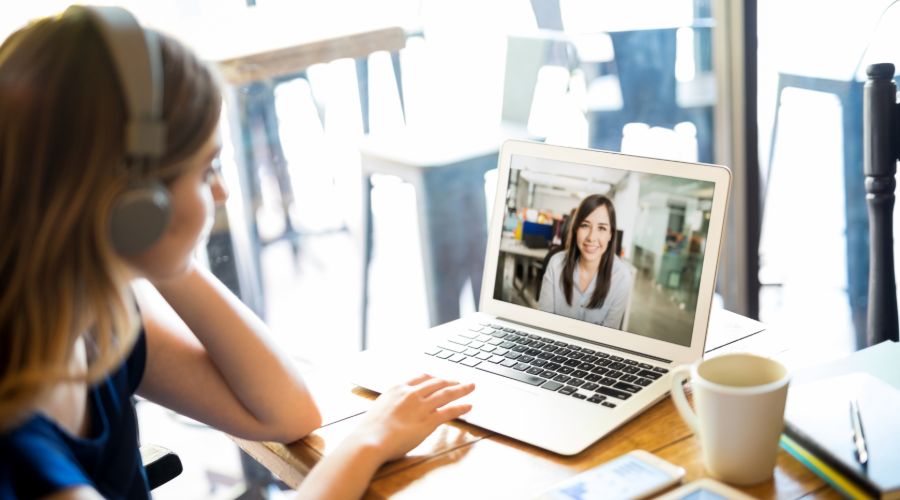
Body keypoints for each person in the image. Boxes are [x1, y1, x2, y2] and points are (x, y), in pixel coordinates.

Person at [0, 6, 474, 499]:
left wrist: (152, 245)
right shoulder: (19, 442)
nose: (223, 193)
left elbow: (285, 411)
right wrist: (370, 440)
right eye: (207, 170)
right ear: (136, 200)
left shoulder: (97, 318)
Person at [537, 194, 634, 329]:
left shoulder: (622, 278)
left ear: (610, 234)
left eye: (602, 228)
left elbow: (609, 337)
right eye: (585, 225)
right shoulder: (556, 264)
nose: (591, 237)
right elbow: (543, 322)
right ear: (576, 229)